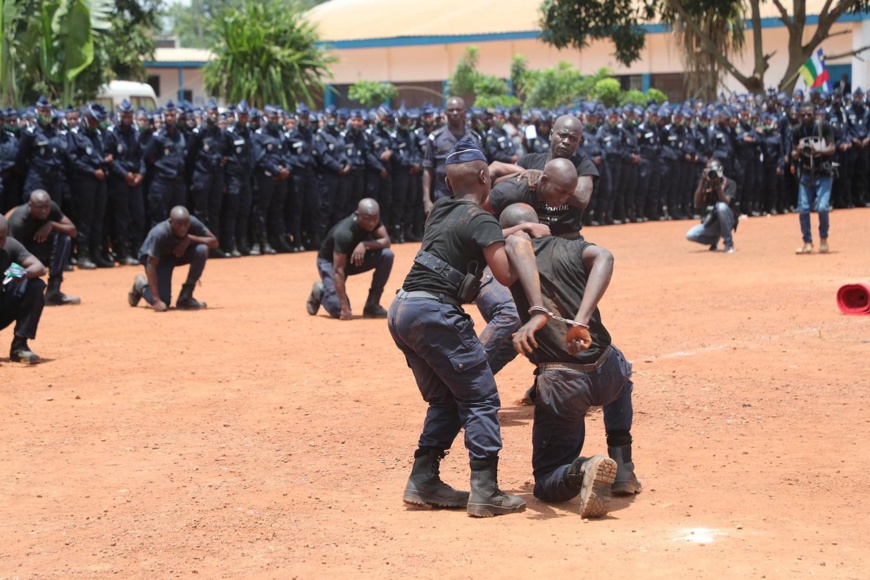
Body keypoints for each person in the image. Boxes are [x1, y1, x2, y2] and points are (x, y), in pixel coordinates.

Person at [387, 138, 548, 518]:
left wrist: (511, 229)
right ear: (483, 176)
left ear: (446, 183)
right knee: (480, 398)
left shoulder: (440, 212)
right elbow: (505, 275)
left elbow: (472, 237)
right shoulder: (482, 219)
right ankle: (485, 491)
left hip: (403, 309)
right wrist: (522, 241)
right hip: (435, 313)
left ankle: (423, 480)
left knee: (445, 398)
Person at [500, 203, 641, 518]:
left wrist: (510, 234)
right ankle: (623, 467)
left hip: (564, 384)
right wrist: (582, 320)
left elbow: (502, 241)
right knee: (623, 376)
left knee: (546, 481)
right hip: (607, 370)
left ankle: (583, 469)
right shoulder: (571, 245)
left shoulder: (509, 251)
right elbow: (605, 255)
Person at [305, 198, 393, 320]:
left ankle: (372, 305)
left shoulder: (373, 220)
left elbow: (386, 241)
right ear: (358, 215)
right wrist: (344, 307)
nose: (372, 223)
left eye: (375, 218)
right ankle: (320, 292)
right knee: (338, 309)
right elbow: (338, 270)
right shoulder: (344, 233)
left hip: (352, 259)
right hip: (331, 263)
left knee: (387, 255)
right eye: (368, 218)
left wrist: (365, 244)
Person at [128, 205, 217, 312]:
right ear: (171, 222)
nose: (183, 227)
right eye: (179, 224)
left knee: (202, 250)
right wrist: (156, 300)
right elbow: (151, 265)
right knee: (164, 301)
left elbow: (214, 242)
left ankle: (185, 297)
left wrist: (190, 238)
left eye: (186, 224)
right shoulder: (159, 233)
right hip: (156, 259)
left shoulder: (192, 222)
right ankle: (141, 285)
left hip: (176, 254)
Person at [6, 189, 79, 305]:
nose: (44, 211)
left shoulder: (51, 208)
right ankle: (14, 295)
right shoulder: (18, 221)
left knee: (64, 239)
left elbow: (73, 231)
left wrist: (52, 224)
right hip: (17, 253)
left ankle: (53, 291)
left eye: (47, 207)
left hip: (35, 247)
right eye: (39, 208)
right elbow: (10, 254)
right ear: (30, 205)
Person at [67, 103, 113, 269]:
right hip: (84, 181)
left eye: (97, 121)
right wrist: (92, 171)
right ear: (85, 119)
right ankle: (83, 255)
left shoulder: (99, 135)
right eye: (93, 120)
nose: (96, 124)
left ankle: (96, 253)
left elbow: (100, 155)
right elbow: (73, 160)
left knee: (98, 218)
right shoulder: (74, 134)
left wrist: (106, 160)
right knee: (85, 218)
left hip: (101, 181)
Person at [0, 214, 47, 363]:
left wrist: (22, 273)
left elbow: (39, 267)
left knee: (35, 285)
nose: (1, 242)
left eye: (3, 237)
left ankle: (19, 346)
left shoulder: (9, 245)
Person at [422, 97, 480, 215]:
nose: (455, 113)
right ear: (445, 113)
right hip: (443, 196)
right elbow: (428, 169)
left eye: (458, 110)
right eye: (451, 110)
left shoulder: (475, 138)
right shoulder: (435, 138)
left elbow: (482, 169)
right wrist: (426, 199)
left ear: (465, 112)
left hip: (469, 196)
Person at [791, 103, 835, 254]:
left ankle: (824, 238)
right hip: (806, 173)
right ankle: (807, 242)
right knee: (803, 208)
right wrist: (798, 149)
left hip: (823, 172)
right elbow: (794, 154)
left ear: (815, 114)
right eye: (803, 115)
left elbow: (832, 148)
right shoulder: (797, 130)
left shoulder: (824, 127)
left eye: (809, 114)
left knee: (822, 207)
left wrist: (819, 150)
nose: (806, 117)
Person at [686, 159, 738, 253]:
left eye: (714, 170)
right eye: (709, 170)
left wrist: (718, 187)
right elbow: (696, 202)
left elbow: (726, 202)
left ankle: (728, 244)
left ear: (721, 169)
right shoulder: (706, 183)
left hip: (728, 220)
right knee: (690, 235)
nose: (712, 173)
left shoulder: (730, 183)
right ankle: (714, 240)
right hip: (712, 221)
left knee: (721, 206)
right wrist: (702, 182)